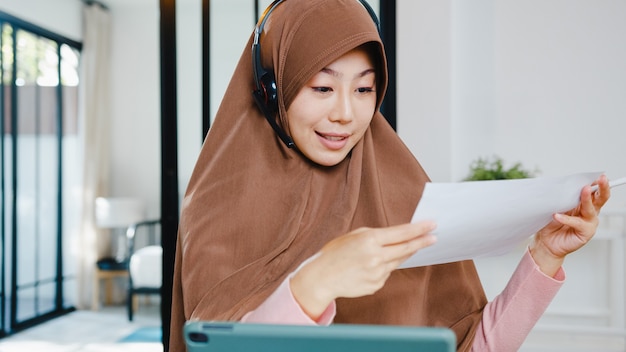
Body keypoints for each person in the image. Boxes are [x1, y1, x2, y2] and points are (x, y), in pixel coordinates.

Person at [169, 0, 611, 351]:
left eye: (364, 89)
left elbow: (471, 347)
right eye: (321, 87)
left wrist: (546, 257)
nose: (345, 114)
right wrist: (315, 282)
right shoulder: (216, 206)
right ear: (272, 89)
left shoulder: (404, 192)